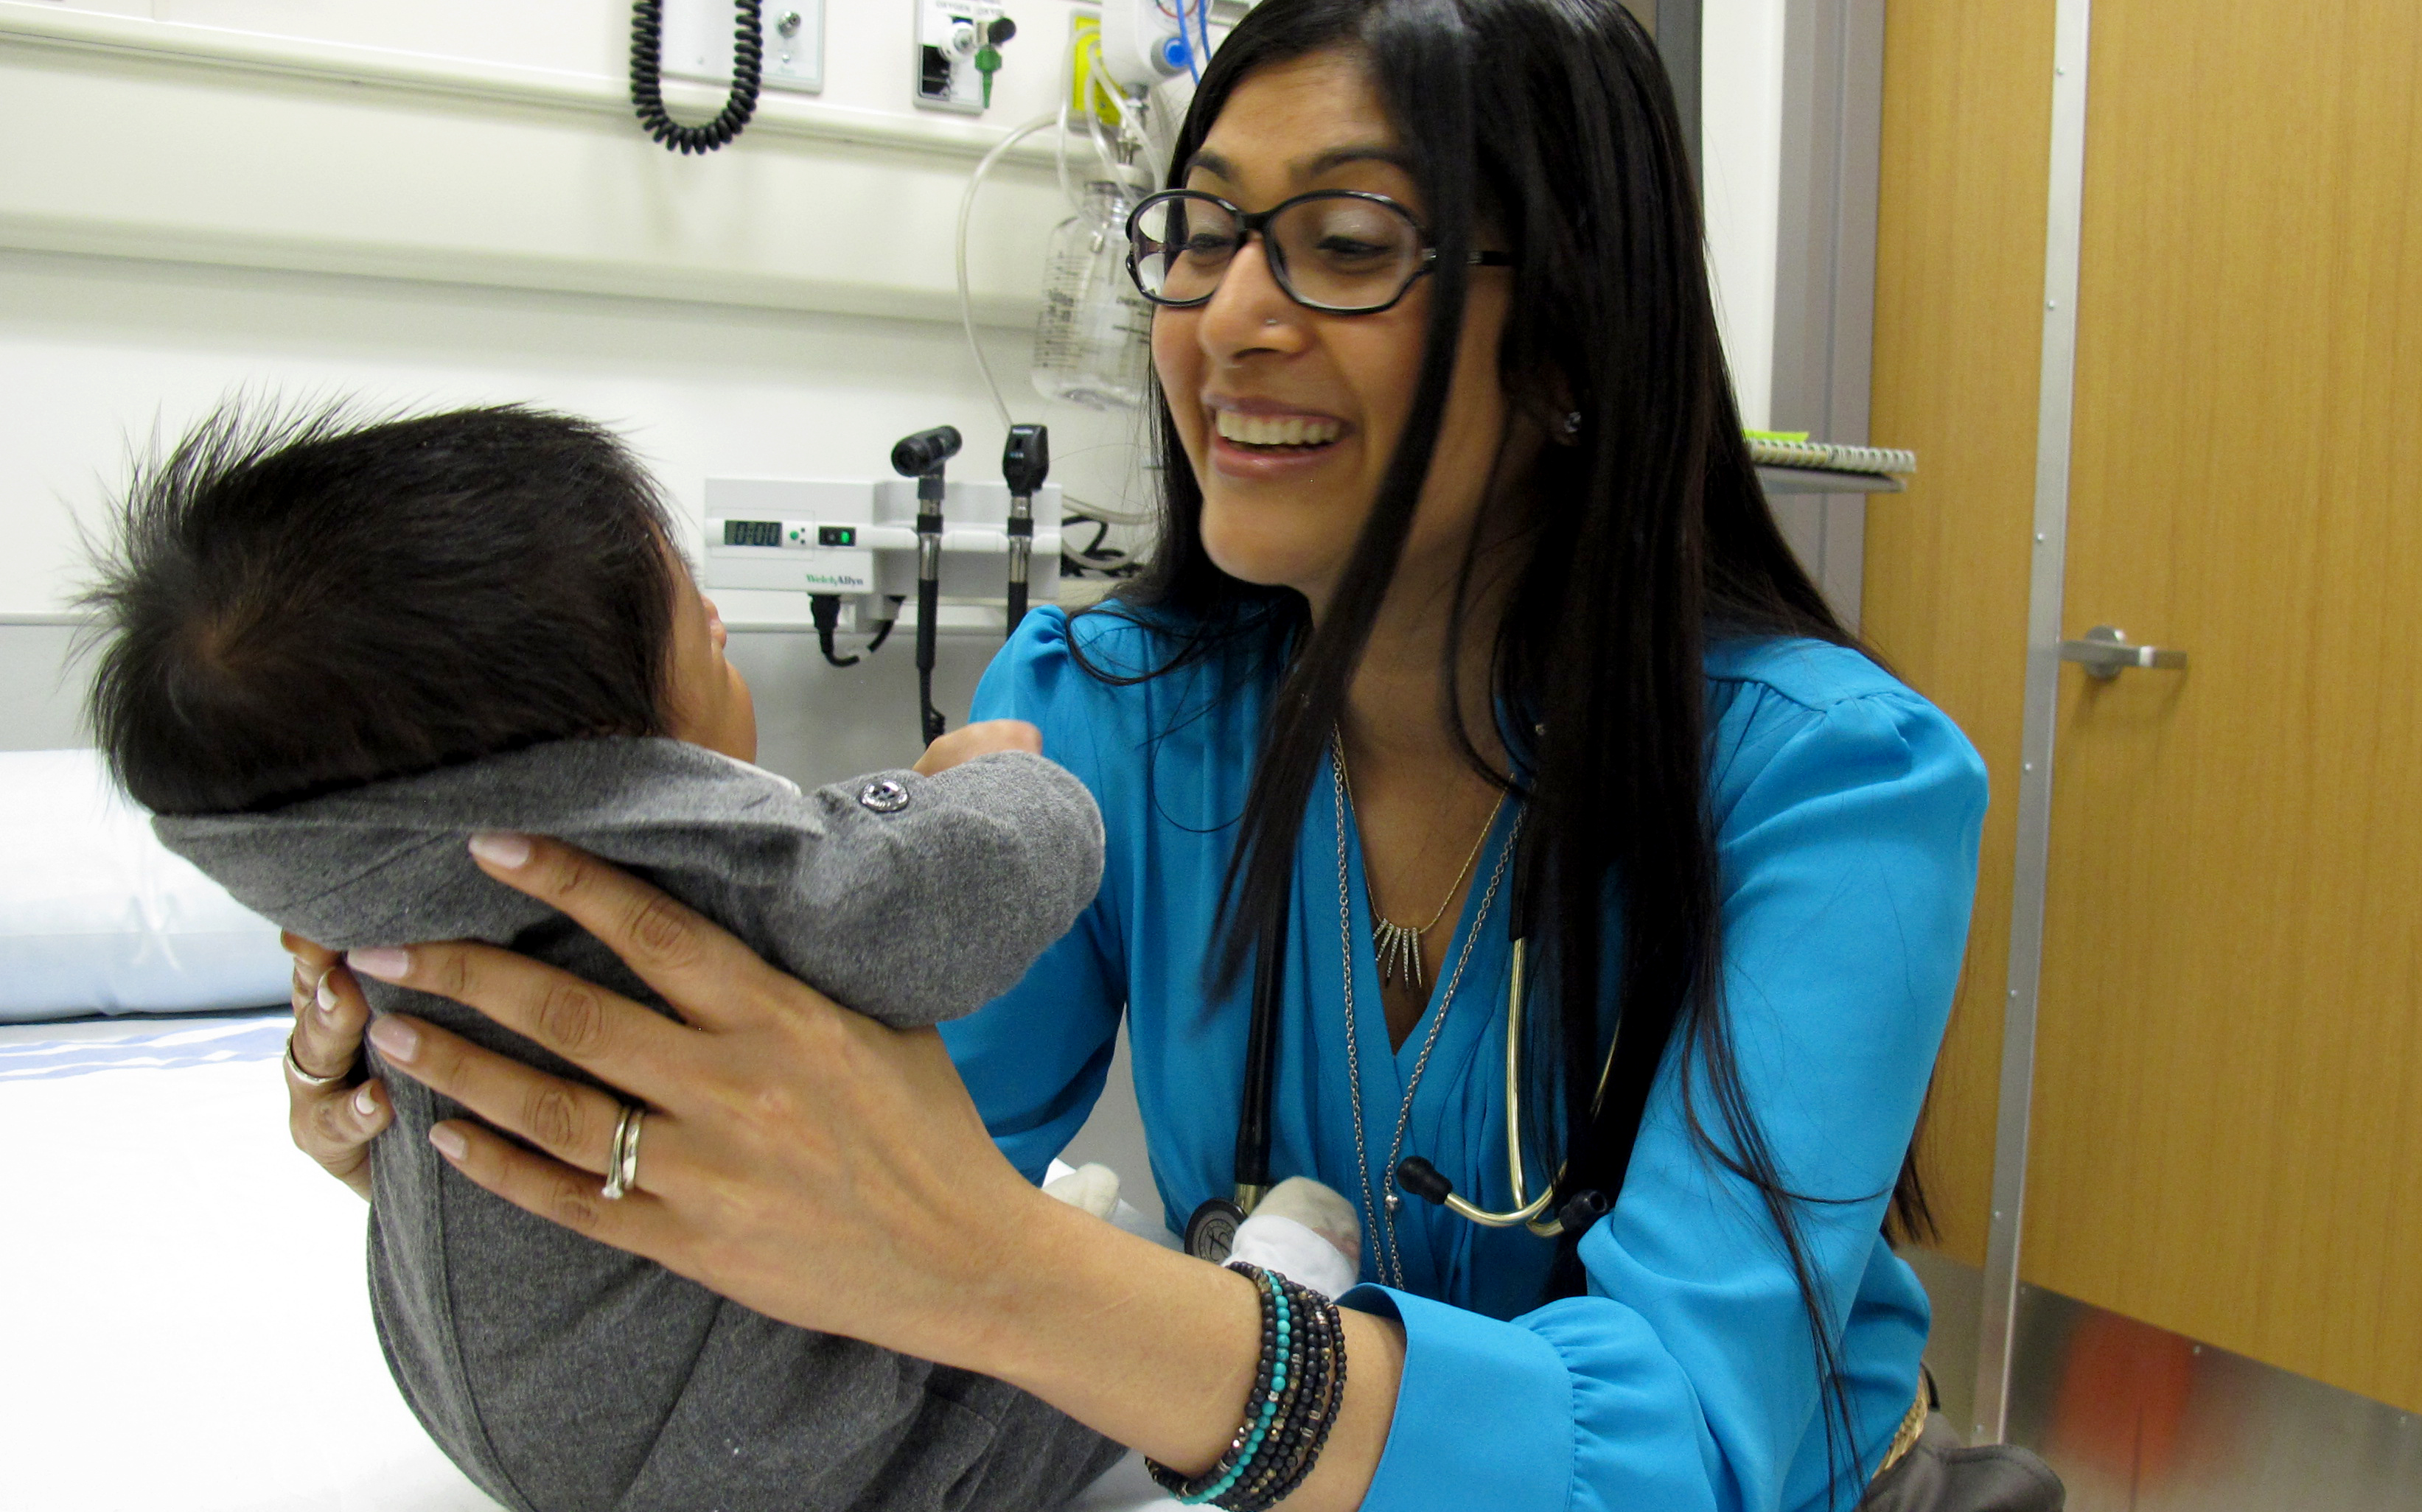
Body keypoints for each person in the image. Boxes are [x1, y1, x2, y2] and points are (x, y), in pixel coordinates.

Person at [276, 0, 2032, 1507]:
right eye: (1197, 235)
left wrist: (1016, 1278)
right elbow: (854, 1177)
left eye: (1345, 246)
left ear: (1570, 335)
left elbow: (1695, 1456)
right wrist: (503, 1148)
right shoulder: (1107, 715)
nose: (1224, 320)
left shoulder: (1833, 791)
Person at [84, 404, 1126, 1512]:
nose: (720, 620)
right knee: (1072, 1388)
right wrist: (987, 781)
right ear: (601, 756)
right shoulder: (695, 875)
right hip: (763, 1452)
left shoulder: (374, 896)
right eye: (686, 606)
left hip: (484, 1406)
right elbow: (950, 900)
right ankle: (1260, 1280)